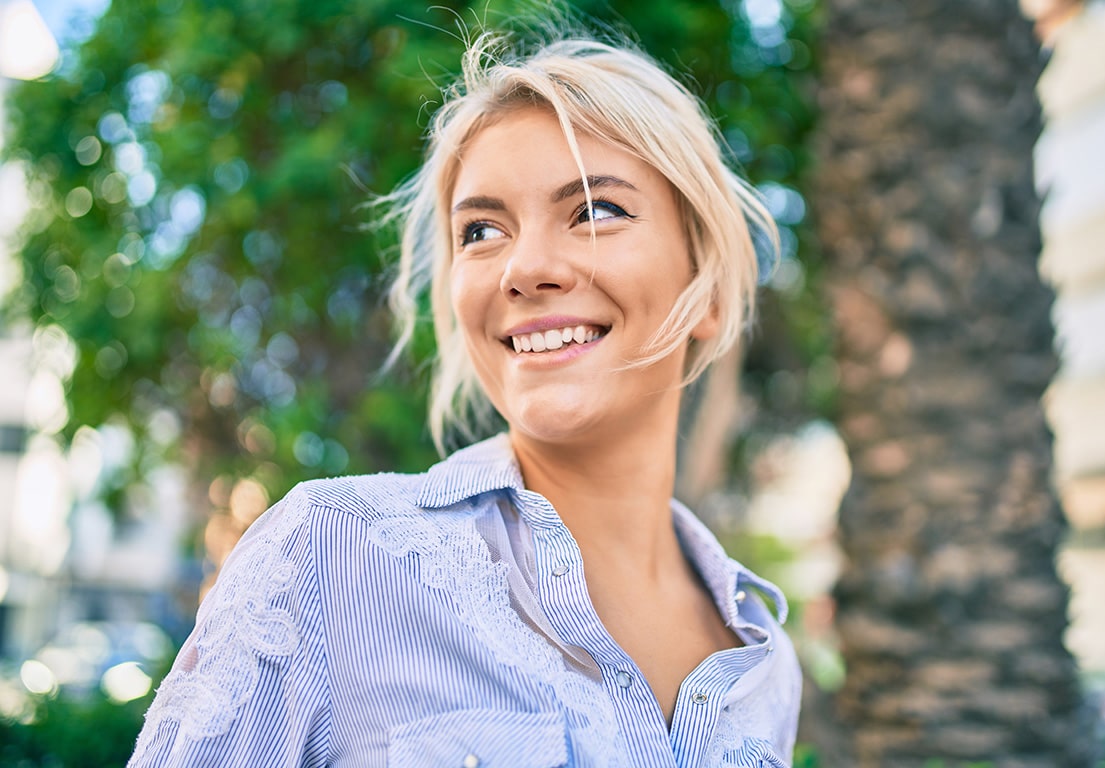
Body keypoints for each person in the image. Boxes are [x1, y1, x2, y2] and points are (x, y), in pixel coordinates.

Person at [129, 23, 802, 768]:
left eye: (596, 210)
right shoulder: (329, 554)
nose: (525, 267)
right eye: (481, 230)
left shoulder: (766, 667)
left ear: (704, 283)